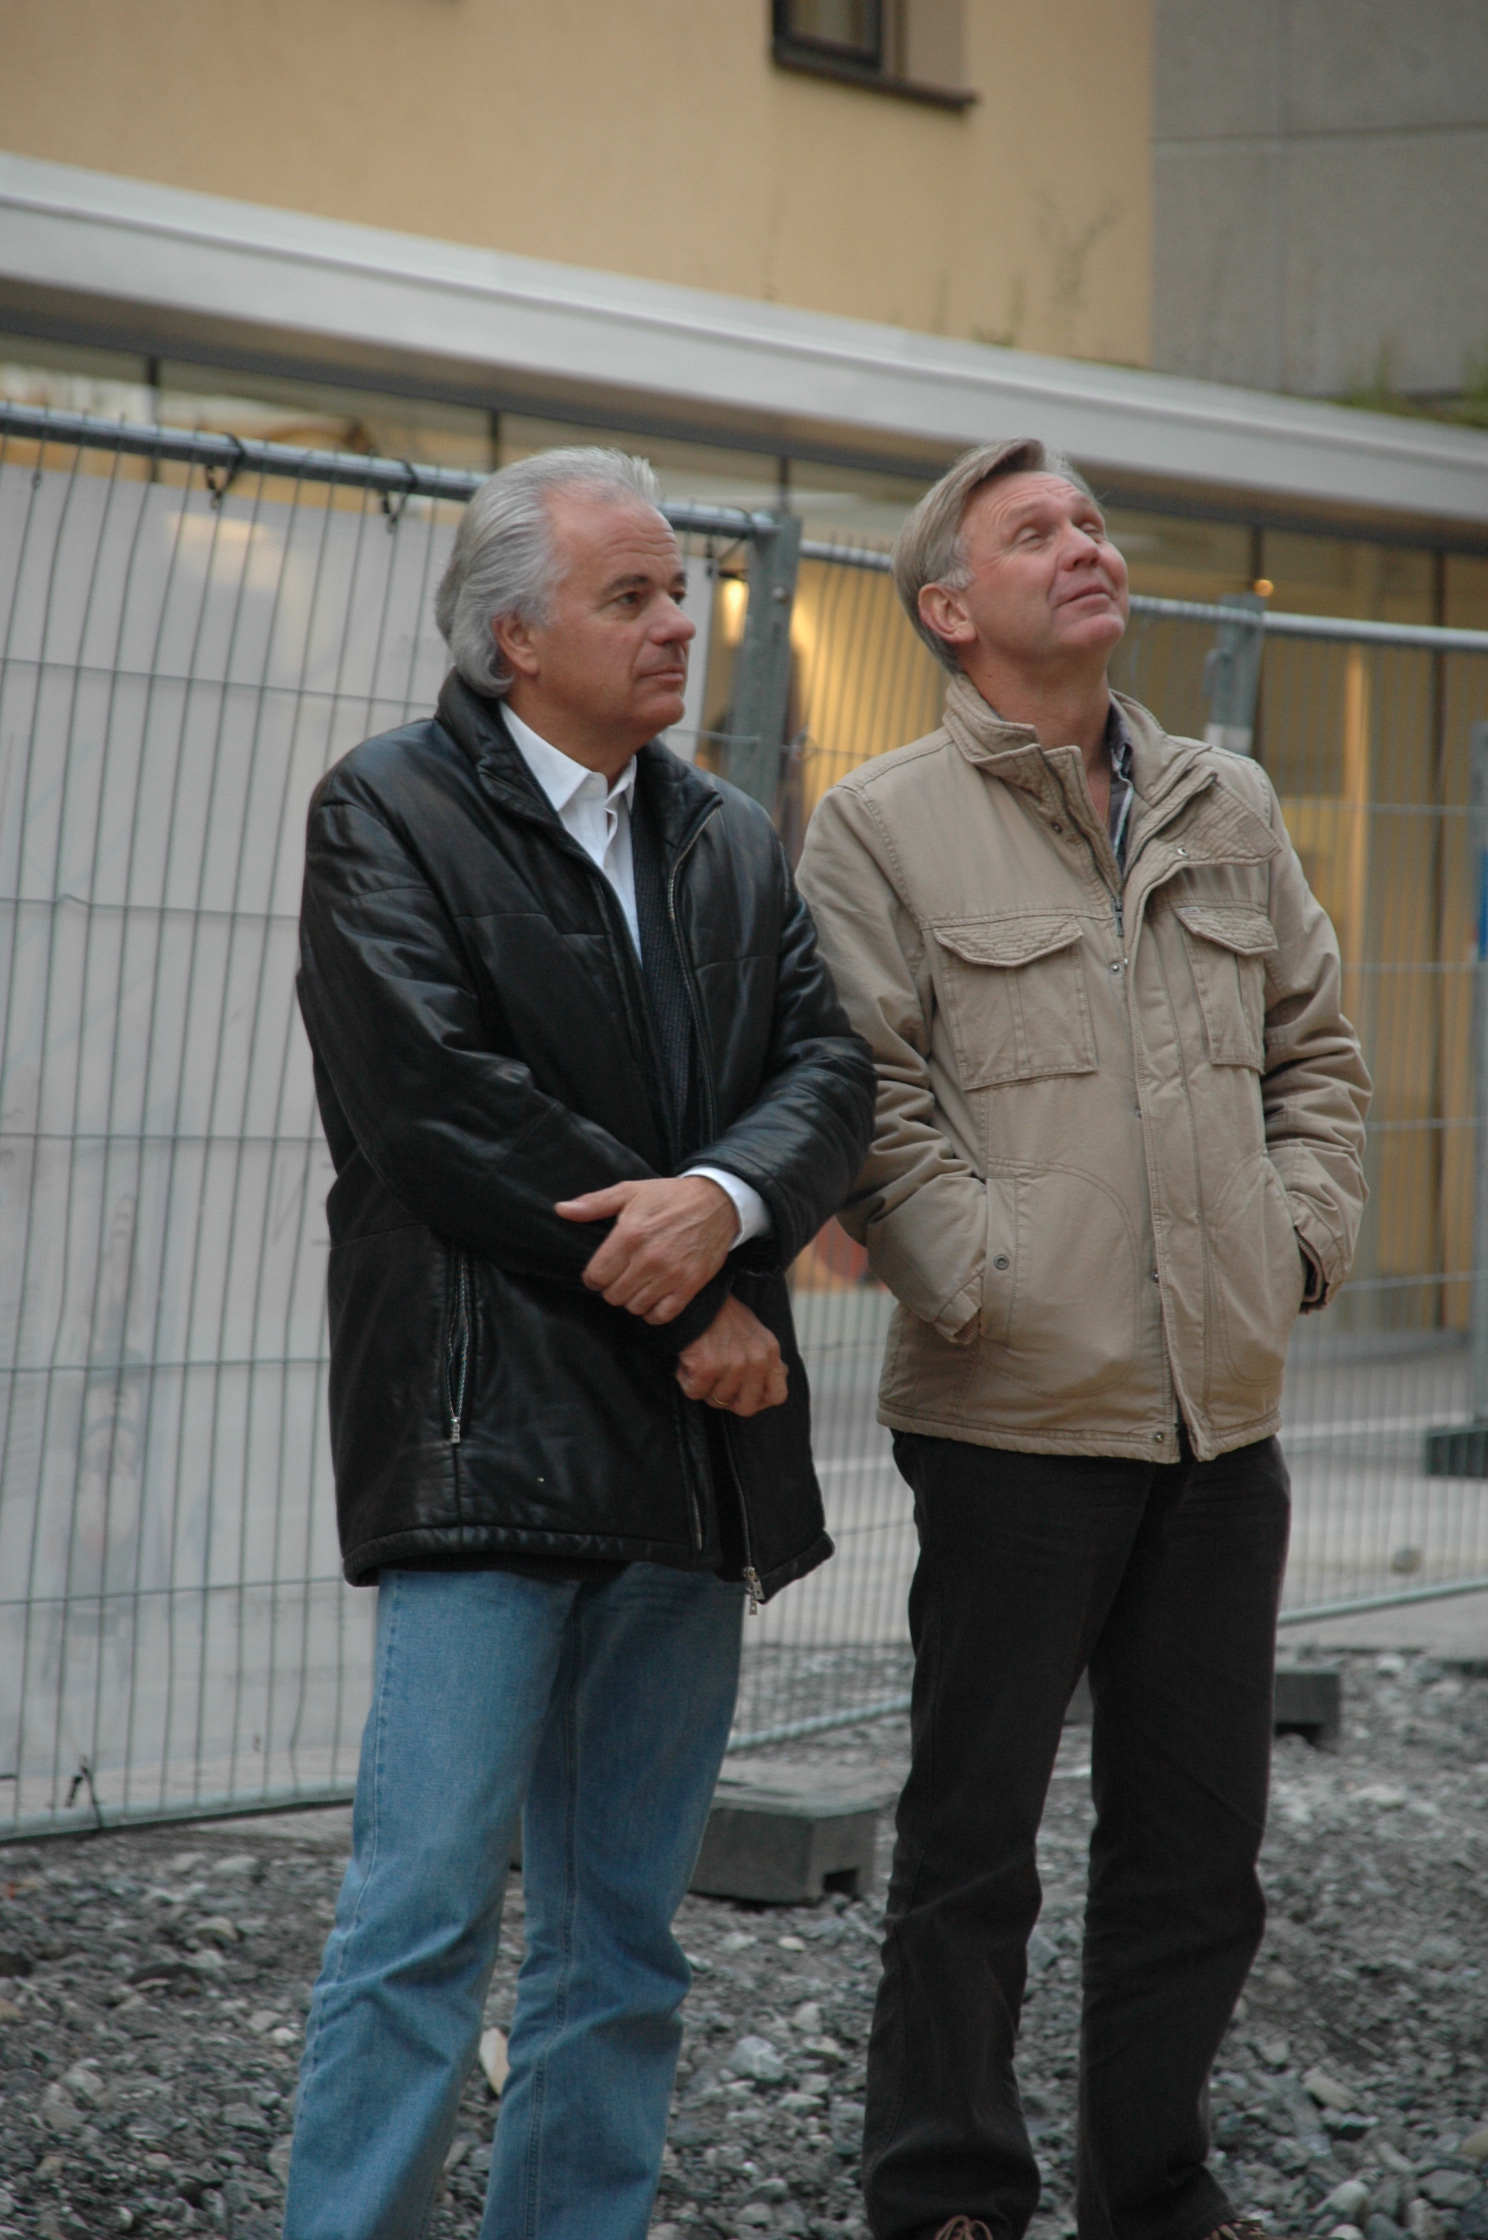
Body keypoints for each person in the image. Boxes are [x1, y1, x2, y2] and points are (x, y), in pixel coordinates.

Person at [285, 447, 875, 2240]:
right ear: (514, 638)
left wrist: (727, 1195)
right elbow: (437, 1104)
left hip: (687, 1465)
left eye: (681, 588)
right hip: (494, 1446)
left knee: (622, 1943)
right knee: (420, 1923)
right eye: (631, 595)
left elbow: (828, 1070)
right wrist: (701, 1281)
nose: (678, 622)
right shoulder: (386, 809)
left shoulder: (729, 837)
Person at [796, 438, 1370, 2240]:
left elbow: (1317, 1055)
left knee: (1198, 1859)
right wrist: (988, 1281)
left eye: (1094, 523)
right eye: (1034, 532)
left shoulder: (1227, 803)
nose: (1086, 547)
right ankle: (947, 2193)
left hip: (1222, 1422)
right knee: (972, 1849)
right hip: (1013, 1419)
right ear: (950, 609)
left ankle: (1154, 2188)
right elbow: (868, 1099)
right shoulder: (877, 826)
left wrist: (1297, 1239)